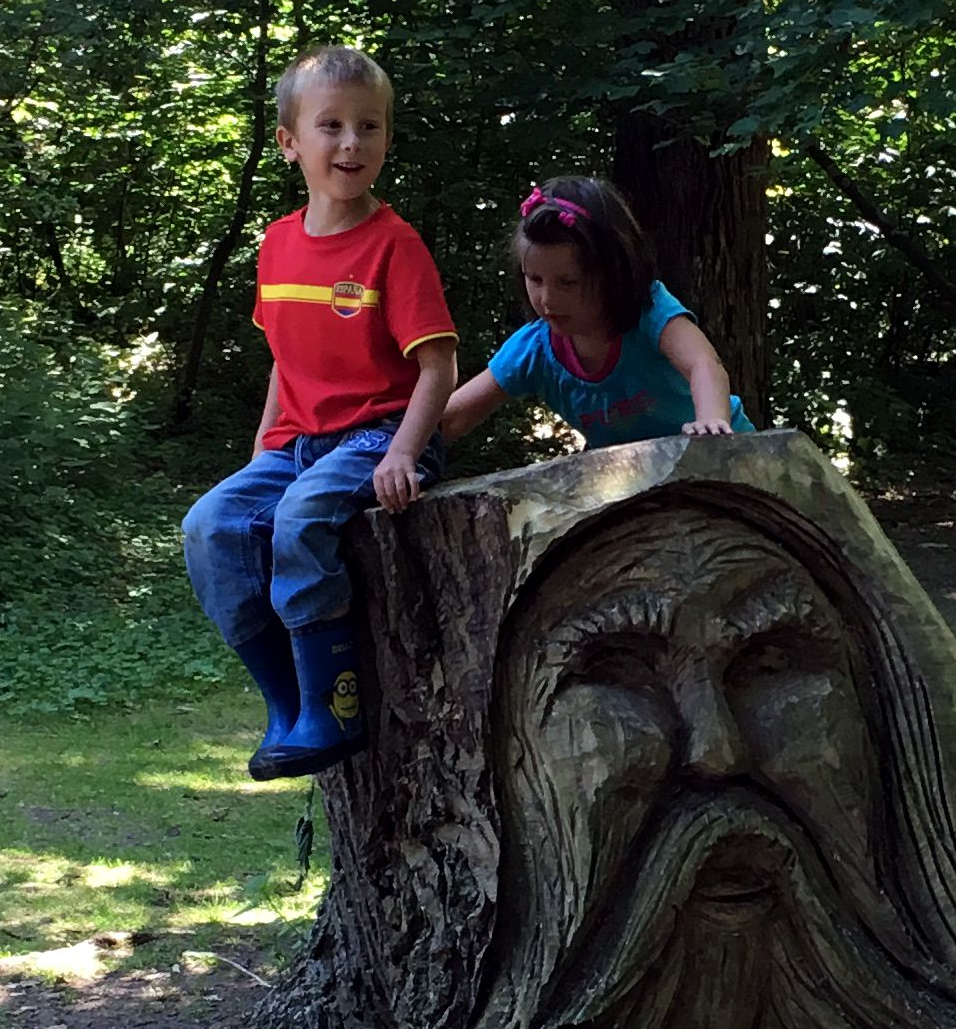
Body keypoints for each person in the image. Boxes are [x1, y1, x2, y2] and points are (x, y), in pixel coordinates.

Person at [181, 46, 457, 781]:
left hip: (379, 435)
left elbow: (438, 365)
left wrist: (403, 452)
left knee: (303, 518)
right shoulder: (277, 244)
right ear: (289, 141)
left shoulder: (394, 246)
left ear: (386, 139)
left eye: (369, 127)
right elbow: (285, 358)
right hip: (298, 442)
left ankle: (335, 709)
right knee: (210, 527)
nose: (350, 143)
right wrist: (260, 451)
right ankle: (288, 708)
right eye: (329, 125)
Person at [441, 176, 753, 451]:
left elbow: (703, 364)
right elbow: (451, 419)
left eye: (568, 282)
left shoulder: (650, 310)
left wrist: (711, 424)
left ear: (613, 272)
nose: (547, 300)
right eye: (534, 279)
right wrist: (398, 450)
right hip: (646, 490)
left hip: (733, 458)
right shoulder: (534, 349)